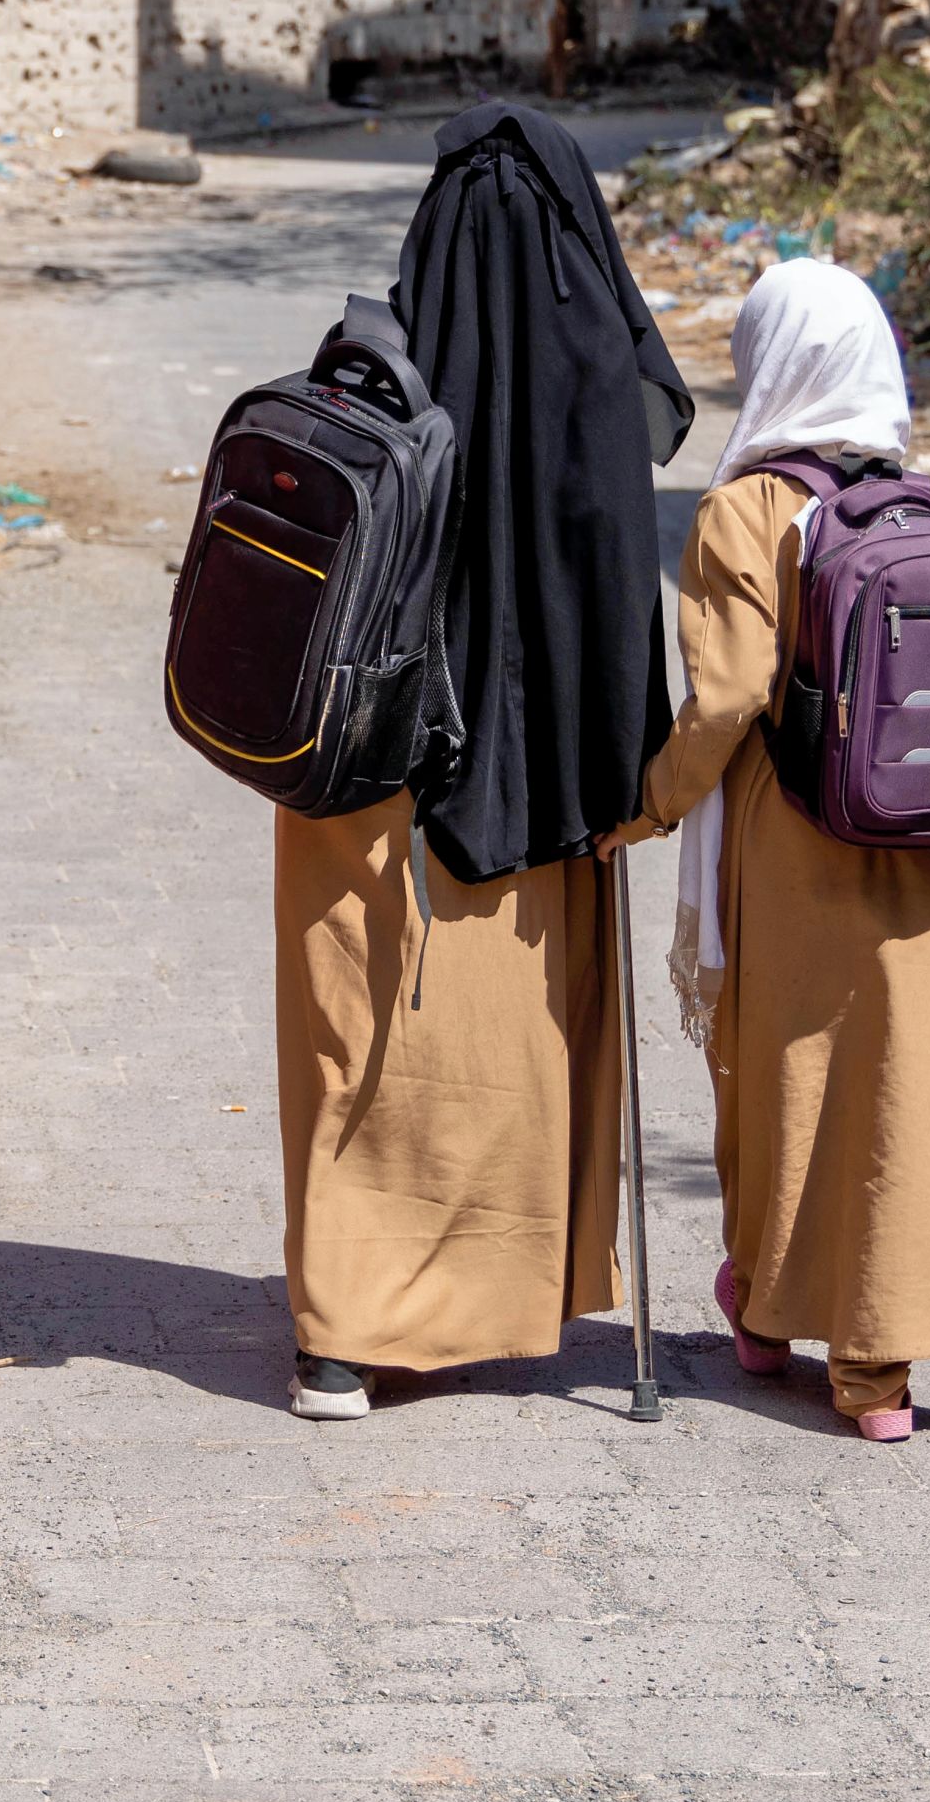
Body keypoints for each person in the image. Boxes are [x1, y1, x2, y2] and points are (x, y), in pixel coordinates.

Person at [273, 102, 693, 1419]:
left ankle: (343, 1333)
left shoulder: (363, 372)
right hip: (548, 794)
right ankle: (507, 1298)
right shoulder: (602, 387)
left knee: (369, 1044)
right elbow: (625, 614)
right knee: (502, 1045)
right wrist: (624, 778)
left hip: (373, 785)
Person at [604, 258, 930, 1439]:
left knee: (786, 1079)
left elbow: (727, 696)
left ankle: (766, 1313)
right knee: (907, 1092)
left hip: (794, 847)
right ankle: (875, 1371)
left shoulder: (746, 511)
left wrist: (646, 804)